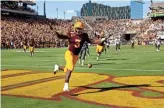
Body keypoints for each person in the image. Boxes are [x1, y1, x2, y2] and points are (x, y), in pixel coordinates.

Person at [50, 21, 104, 91]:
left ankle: (57, 67)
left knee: (67, 69)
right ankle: (65, 86)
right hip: (69, 53)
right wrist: (54, 30)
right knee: (71, 68)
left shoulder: (84, 35)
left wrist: (99, 41)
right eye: (78, 28)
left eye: (80, 29)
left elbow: (91, 41)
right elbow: (60, 36)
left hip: (76, 55)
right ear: (75, 28)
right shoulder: (71, 34)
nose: (79, 30)